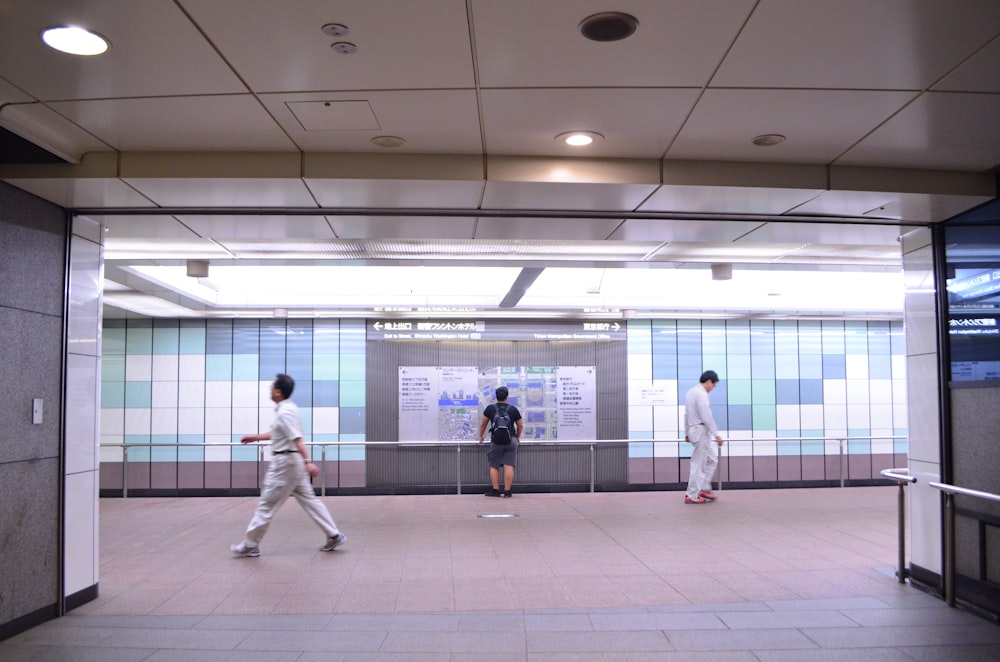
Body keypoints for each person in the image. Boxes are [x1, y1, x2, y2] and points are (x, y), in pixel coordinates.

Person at [231, 373, 347, 557]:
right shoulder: (289, 409)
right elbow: (278, 434)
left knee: (267, 504)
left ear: (278, 392)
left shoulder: (284, 412)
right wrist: (255, 437)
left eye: (272, 387)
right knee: (309, 500)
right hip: (293, 464)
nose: (270, 389)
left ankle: (250, 544)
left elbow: (297, 438)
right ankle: (333, 534)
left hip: (284, 464)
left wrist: (308, 462)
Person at [684, 370, 725, 504]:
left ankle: (703, 487)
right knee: (699, 464)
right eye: (713, 385)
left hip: (695, 430)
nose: (712, 388)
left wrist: (686, 432)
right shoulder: (701, 394)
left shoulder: (691, 392)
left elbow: (686, 414)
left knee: (712, 458)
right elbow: (706, 417)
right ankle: (692, 494)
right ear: (708, 382)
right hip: (701, 430)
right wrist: (717, 435)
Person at [478, 386, 523, 498]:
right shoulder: (513, 409)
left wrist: (481, 436)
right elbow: (520, 424)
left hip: (496, 440)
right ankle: (507, 491)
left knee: (494, 465)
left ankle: (496, 490)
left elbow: (483, 424)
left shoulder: (490, 408)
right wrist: (517, 436)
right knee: (509, 465)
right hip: (510, 440)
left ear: (496, 397)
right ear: (507, 397)